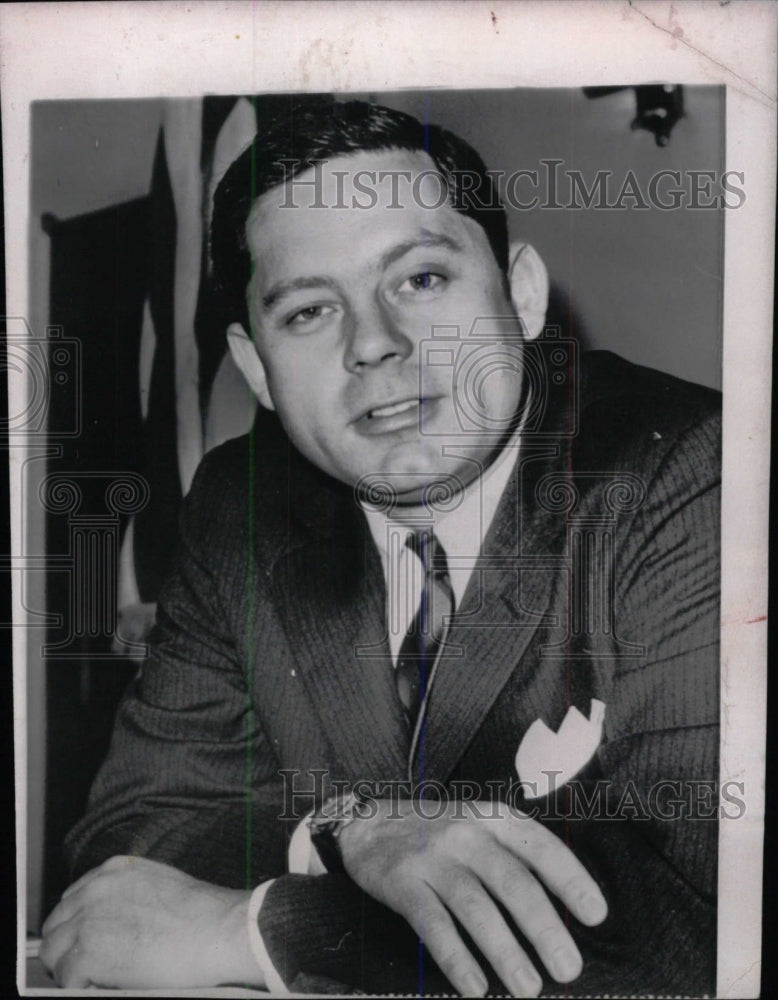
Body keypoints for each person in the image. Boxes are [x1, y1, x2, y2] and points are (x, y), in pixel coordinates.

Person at [40, 98, 721, 997]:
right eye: (310, 311)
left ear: (520, 295)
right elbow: (138, 830)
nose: (376, 345)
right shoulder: (238, 504)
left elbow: (701, 911)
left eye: (421, 280)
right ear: (255, 369)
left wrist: (262, 930)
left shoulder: (691, 470)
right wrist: (351, 832)